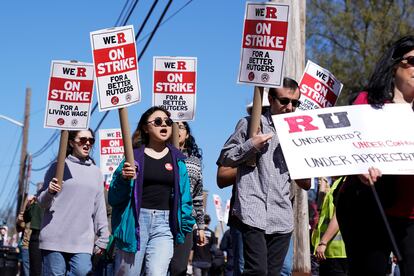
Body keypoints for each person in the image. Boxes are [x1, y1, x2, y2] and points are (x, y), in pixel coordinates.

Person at [336, 35, 414, 275]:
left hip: (410, 211)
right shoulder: (367, 102)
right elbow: (343, 147)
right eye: (412, 61)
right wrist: (358, 166)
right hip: (368, 206)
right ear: (394, 66)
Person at [218, 77, 311, 275]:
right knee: (256, 271)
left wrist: (297, 156)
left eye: (295, 103)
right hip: (253, 211)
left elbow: (306, 183)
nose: (289, 107)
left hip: (281, 216)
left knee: (274, 273)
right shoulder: (250, 124)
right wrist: (251, 145)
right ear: (271, 98)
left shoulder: (299, 131)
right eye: (284, 101)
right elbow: (225, 158)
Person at [109, 106, 195, 275]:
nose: (164, 125)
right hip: (136, 222)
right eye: (157, 122)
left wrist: (183, 228)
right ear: (145, 128)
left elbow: (185, 198)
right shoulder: (133, 158)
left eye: (168, 122)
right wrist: (123, 178)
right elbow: (113, 197)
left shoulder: (178, 160)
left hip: (164, 226)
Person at [37, 129, 109, 275]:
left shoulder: (96, 172)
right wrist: (49, 192)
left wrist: (104, 235)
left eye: (91, 140)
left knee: (82, 272)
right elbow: (41, 203)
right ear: (71, 142)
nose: (88, 143)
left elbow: (99, 206)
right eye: (83, 139)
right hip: (54, 239)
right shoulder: (58, 167)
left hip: (82, 242)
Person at [170, 121, 205, 276]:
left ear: (187, 134)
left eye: (181, 127)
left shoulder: (195, 162)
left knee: (179, 268)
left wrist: (201, 226)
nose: (177, 129)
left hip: (186, 222)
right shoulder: (161, 156)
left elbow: (197, 196)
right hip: (163, 218)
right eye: (174, 126)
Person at [311, 177, 348, 276]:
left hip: (337, 252)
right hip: (331, 251)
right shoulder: (338, 183)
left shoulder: (343, 183)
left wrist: (323, 242)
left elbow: (339, 215)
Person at [23, 184, 44, 276]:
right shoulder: (35, 202)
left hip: (48, 236)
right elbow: (26, 218)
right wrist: (28, 205)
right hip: (36, 235)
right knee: (36, 270)